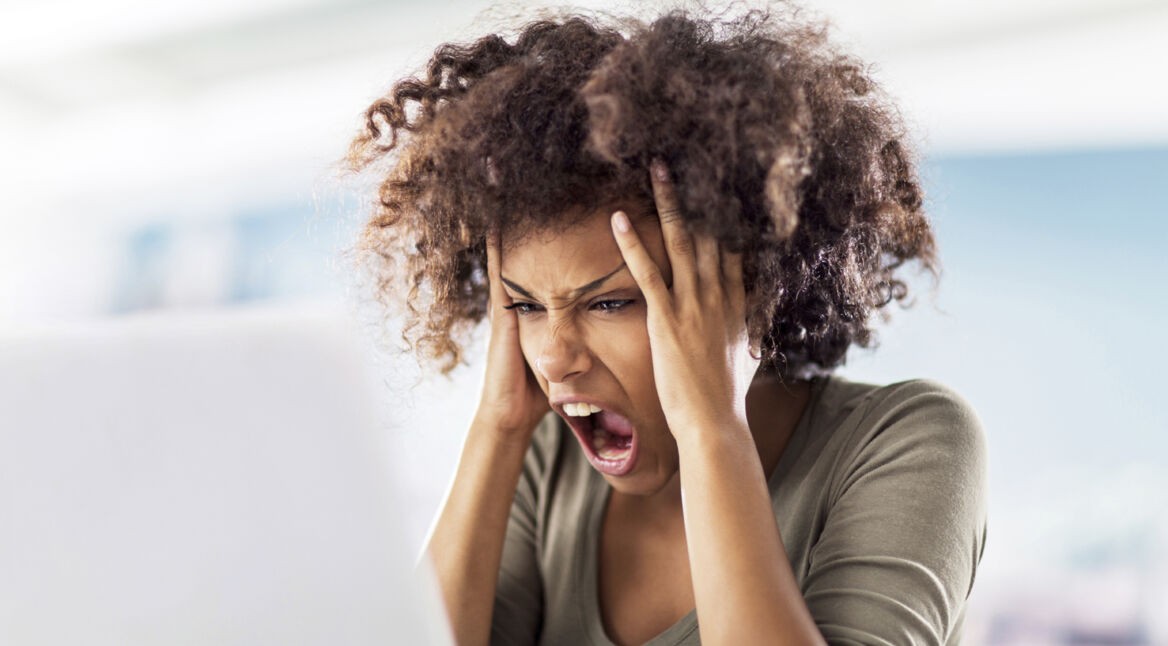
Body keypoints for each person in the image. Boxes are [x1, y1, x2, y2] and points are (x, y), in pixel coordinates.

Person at [347, 4, 988, 645]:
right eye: (527, 306)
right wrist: (498, 429)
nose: (553, 358)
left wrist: (712, 429)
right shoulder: (546, 468)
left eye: (609, 303)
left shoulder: (908, 441)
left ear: (748, 296)